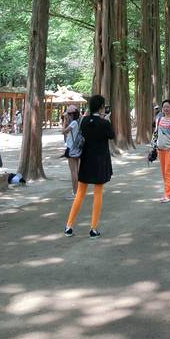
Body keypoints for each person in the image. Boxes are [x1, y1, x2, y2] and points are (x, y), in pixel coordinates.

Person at [65, 94, 114, 238]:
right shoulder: (104, 123)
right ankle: (93, 228)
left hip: (86, 160)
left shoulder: (84, 121)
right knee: (98, 193)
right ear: (101, 107)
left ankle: (69, 226)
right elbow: (111, 135)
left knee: (80, 193)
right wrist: (107, 120)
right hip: (100, 161)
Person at [62, 105, 82, 196]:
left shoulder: (73, 123)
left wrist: (64, 121)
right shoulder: (79, 121)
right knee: (76, 171)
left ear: (71, 114)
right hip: (77, 148)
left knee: (73, 172)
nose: (68, 116)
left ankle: (75, 192)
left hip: (71, 148)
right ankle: (78, 191)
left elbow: (63, 131)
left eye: (69, 114)